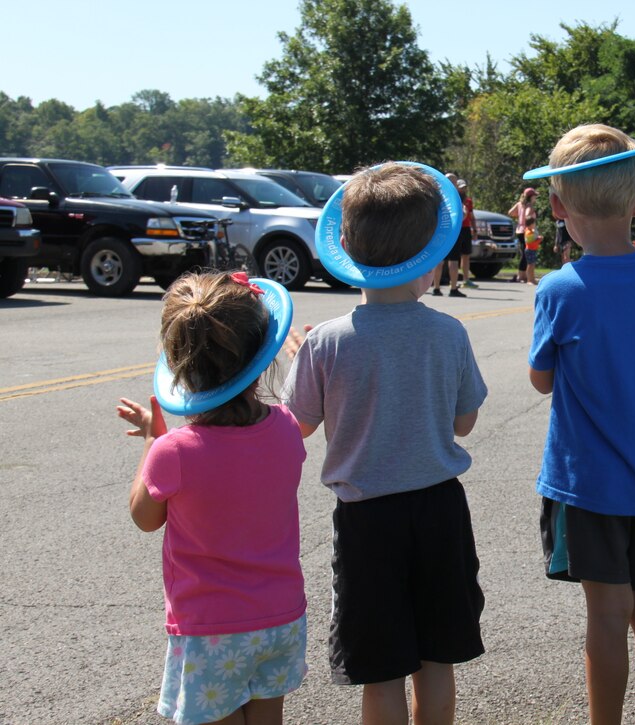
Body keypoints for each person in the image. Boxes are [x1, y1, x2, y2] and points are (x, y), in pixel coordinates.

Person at [282, 164, 488, 724]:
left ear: (344, 244)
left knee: (380, 668)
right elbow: (464, 423)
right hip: (440, 510)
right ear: (432, 248)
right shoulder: (449, 332)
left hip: (367, 519)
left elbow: (295, 428)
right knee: (436, 658)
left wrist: (293, 360)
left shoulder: (325, 342)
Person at [528, 124, 635, 724]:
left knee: (604, 615)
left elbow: (542, 380)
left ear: (556, 206)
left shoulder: (557, 290)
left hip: (587, 485)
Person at [117, 271, 308, 725]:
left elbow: (144, 516)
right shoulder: (285, 426)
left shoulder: (174, 451)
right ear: (259, 353)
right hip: (280, 618)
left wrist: (152, 439)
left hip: (212, 630)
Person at [432, 172, 468, 297]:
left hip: (442, 231)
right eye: (454, 181)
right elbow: (463, 214)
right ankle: (451, 288)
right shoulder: (454, 196)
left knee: (443, 260)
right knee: (450, 261)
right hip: (450, 231)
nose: (454, 184)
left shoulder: (437, 194)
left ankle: (438, 288)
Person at [508, 186, 537, 282]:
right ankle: (521, 275)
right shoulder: (529, 206)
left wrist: (519, 216)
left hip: (519, 230)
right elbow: (527, 216)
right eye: (534, 196)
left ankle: (522, 274)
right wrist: (529, 219)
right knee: (526, 253)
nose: (535, 198)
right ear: (530, 197)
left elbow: (510, 212)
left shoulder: (519, 204)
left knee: (524, 253)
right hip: (526, 231)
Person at [457, 178, 478, 289]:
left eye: (464, 188)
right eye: (461, 188)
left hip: (466, 228)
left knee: (466, 255)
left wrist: (474, 230)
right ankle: (454, 280)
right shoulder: (454, 199)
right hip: (456, 229)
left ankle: (466, 279)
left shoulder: (468, 201)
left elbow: (471, 216)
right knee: (455, 257)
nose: (463, 190)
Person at [523, 217, 542, 284]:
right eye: (534, 223)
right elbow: (530, 242)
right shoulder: (528, 232)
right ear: (530, 224)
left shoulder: (531, 231)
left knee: (533, 264)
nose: (535, 224)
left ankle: (532, 278)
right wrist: (539, 240)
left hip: (533, 249)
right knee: (530, 265)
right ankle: (529, 280)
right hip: (529, 250)